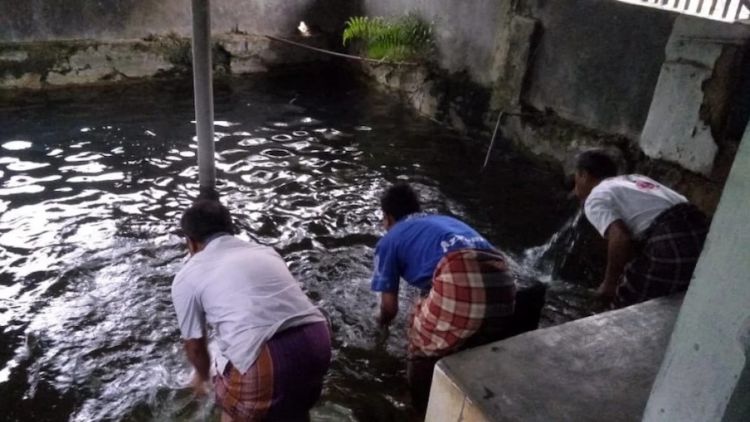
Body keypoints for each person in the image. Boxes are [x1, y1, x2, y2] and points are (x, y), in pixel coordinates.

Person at [171, 199, 331, 422]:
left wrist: (201, 378)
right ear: (231, 230)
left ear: (191, 243)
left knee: (231, 407)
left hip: (265, 360)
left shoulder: (187, 276)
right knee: (295, 407)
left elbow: (196, 347)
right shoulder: (266, 252)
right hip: (317, 341)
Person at [370, 183, 517, 413]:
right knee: (467, 336)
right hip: (504, 281)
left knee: (419, 340)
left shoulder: (389, 240)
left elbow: (389, 308)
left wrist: (379, 327)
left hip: (459, 277)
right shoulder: (443, 222)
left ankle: (420, 410)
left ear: (388, 218)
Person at [572, 150, 709, 307]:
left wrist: (609, 284)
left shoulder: (595, 196)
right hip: (702, 231)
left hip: (670, 238)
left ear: (584, 175)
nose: (575, 189)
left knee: (625, 303)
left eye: (576, 179)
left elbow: (620, 238)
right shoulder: (635, 179)